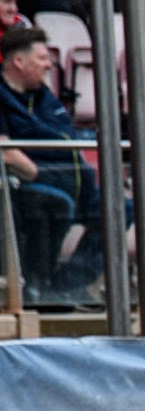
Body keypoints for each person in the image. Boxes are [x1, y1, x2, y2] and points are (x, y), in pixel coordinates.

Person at [0, 26, 108, 306]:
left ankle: (68, 285)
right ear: (19, 62)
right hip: (30, 184)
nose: (49, 65)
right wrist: (37, 173)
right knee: (51, 202)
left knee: (122, 210)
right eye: (42, 58)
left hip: (77, 183)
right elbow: (5, 150)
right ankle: (37, 286)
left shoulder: (45, 96)